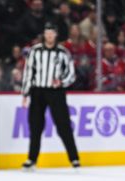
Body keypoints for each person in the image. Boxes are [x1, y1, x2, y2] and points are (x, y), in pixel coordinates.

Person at [21, 22, 79, 170]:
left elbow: (71, 74)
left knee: (63, 125)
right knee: (35, 126)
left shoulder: (63, 52)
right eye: (47, 32)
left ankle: (74, 158)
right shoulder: (35, 51)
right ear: (44, 34)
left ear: (56, 34)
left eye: (52, 32)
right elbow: (28, 73)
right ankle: (31, 159)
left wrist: (61, 82)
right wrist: (25, 93)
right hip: (38, 91)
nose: (49, 35)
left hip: (56, 92)